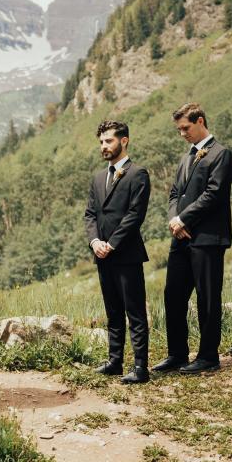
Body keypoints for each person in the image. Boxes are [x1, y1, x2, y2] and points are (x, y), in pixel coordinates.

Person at [155, 103, 232, 375]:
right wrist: (173, 220)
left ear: (200, 121)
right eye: (179, 129)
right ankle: (177, 353)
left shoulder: (221, 154)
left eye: (186, 128)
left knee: (207, 298)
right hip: (181, 238)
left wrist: (184, 219)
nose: (182, 134)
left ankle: (209, 356)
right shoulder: (186, 157)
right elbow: (174, 193)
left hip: (208, 238)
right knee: (173, 295)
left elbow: (213, 194)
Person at [83, 120, 152, 383]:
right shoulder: (99, 177)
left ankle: (140, 367)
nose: (104, 146)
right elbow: (90, 214)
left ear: (124, 141)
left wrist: (112, 244)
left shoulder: (138, 174)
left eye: (109, 141)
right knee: (112, 311)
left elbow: (135, 215)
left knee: (134, 311)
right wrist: (95, 242)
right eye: (101, 142)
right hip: (102, 254)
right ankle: (114, 361)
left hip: (126, 254)